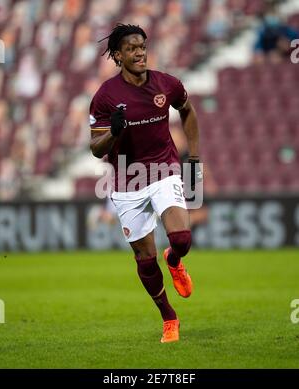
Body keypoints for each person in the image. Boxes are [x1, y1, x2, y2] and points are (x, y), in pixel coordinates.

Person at [89, 24, 201, 343]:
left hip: (165, 169)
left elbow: (188, 111)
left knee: (181, 239)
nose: (139, 52)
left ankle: (175, 260)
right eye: (131, 48)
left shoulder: (167, 84)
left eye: (142, 46)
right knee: (145, 259)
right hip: (127, 180)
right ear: (118, 55)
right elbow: (96, 149)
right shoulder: (105, 97)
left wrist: (194, 157)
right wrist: (114, 131)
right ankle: (169, 318)